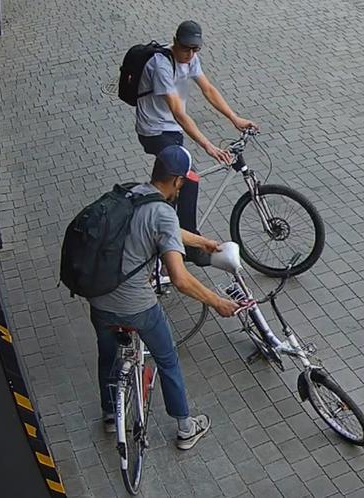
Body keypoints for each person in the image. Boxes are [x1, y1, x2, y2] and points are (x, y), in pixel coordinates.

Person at [88, 145, 239, 450]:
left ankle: (109, 413)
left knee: (107, 354)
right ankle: (185, 428)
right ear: (178, 181)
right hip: (137, 306)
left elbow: (168, 231)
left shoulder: (130, 194)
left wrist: (203, 242)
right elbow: (181, 280)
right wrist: (217, 302)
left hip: (99, 299)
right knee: (167, 359)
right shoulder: (164, 212)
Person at [135, 20, 257, 265]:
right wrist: (208, 146)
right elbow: (179, 113)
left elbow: (208, 90)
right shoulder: (161, 65)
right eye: (185, 49)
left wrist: (234, 118)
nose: (190, 55)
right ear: (175, 41)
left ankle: (166, 230)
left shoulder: (190, 59)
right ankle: (188, 243)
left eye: (195, 50)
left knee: (175, 185)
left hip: (171, 128)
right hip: (154, 130)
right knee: (188, 177)